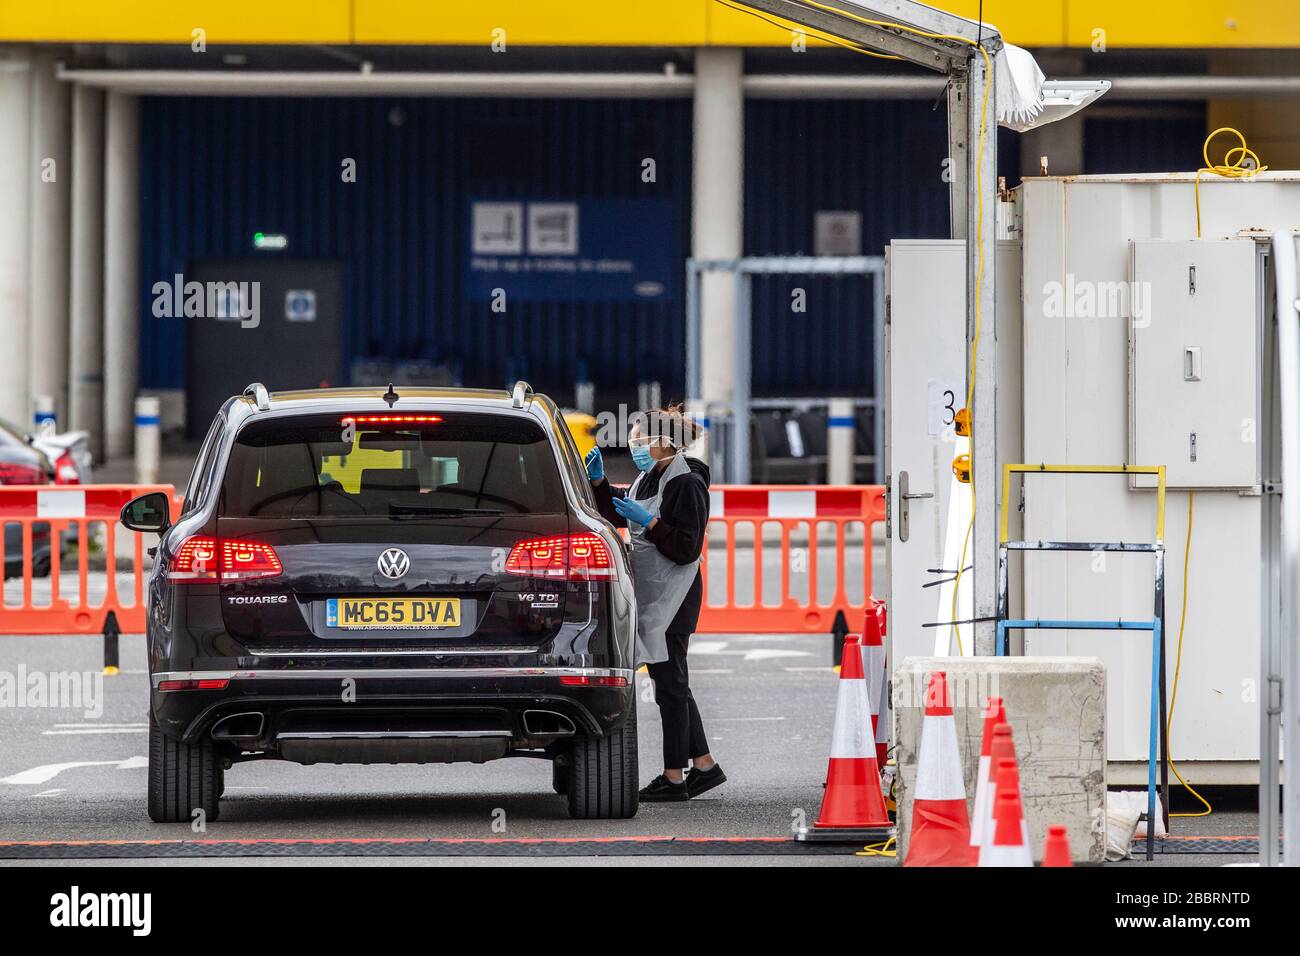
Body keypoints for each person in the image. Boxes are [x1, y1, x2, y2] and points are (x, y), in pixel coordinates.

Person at [585, 403, 725, 802]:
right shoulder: (650, 476)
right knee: (672, 682)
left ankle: (673, 777)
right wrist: (599, 485)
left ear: (663, 442)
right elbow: (620, 508)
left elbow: (686, 547)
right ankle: (703, 765)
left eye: (639, 439)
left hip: (675, 598)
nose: (633, 446)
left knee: (671, 686)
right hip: (655, 594)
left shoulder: (687, 482)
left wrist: (649, 524)